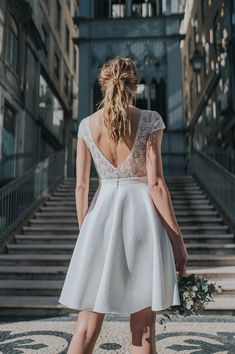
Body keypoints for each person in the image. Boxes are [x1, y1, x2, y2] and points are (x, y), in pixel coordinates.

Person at [59, 56, 188, 354]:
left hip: (100, 217)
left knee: (86, 328)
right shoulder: (151, 119)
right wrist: (177, 240)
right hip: (142, 219)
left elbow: (80, 186)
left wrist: (86, 234)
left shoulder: (85, 126)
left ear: (103, 84)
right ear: (135, 85)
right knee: (142, 333)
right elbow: (155, 185)